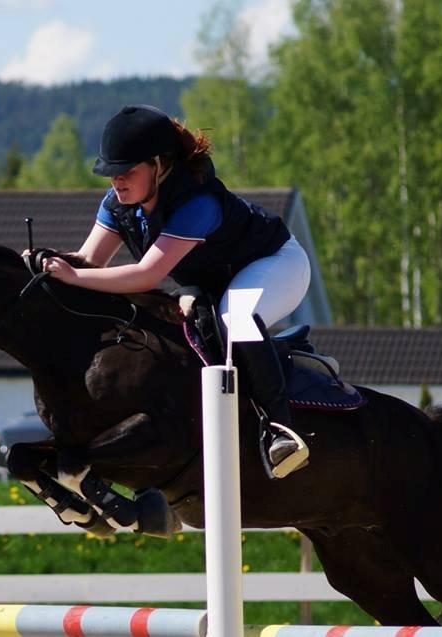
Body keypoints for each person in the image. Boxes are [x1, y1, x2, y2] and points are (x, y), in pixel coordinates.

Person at [40, 104, 312, 479]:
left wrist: (73, 276)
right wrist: (43, 262)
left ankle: (280, 430)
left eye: (126, 172)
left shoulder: (197, 203)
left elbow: (146, 275)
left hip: (277, 264)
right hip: (218, 278)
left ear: (158, 164)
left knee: (236, 315)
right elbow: (88, 261)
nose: (117, 181)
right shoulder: (118, 205)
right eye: (111, 173)